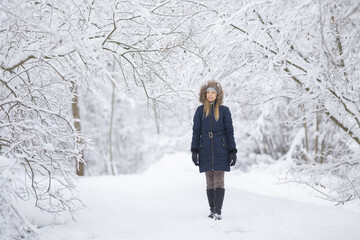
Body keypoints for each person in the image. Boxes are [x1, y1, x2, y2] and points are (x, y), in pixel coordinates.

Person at [190, 80, 237, 220]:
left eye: (213, 92)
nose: (210, 95)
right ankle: (212, 210)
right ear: (204, 94)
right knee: (209, 180)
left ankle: (218, 211)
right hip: (205, 148)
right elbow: (195, 131)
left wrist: (232, 150)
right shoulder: (200, 111)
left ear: (217, 95)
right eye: (208, 92)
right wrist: (194, 150)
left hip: (220, 148)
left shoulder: (224, 110)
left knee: (219, 180)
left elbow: (229, 131)